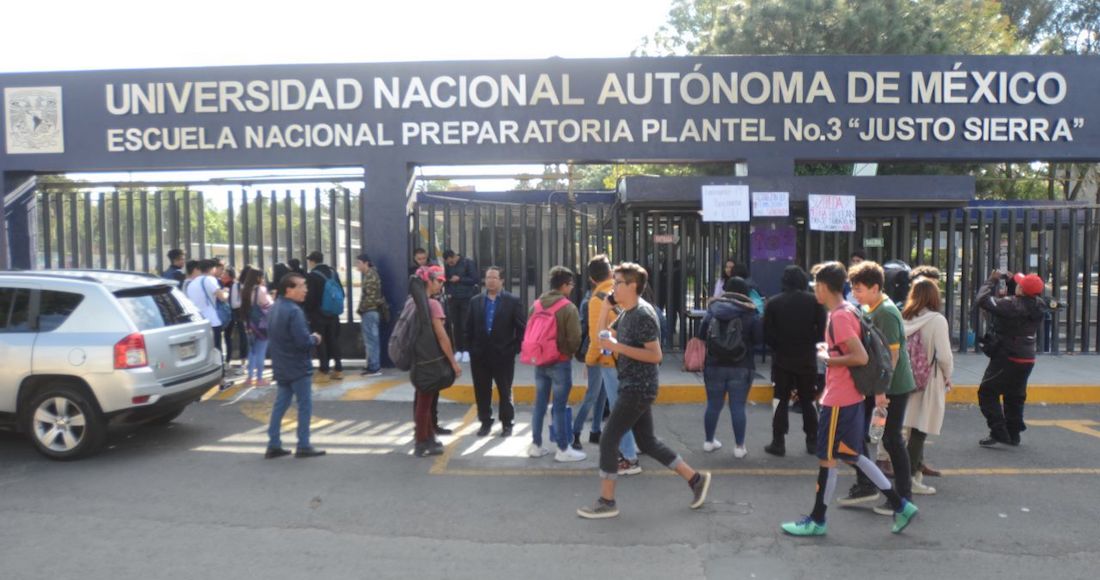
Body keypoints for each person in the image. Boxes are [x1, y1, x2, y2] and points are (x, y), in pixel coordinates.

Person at [779, 261, 917, 536]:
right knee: (851, 455)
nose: (815, 292)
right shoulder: (848, 310)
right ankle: (900, 504)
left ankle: (818, 520)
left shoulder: (840, 316)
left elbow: (860, 356)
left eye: (816, 286)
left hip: (839, 399)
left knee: (829, 458)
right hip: (849, 396)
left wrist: (828, 358)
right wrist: (831, 350)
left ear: (822, 287)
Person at [577, 263, 712, 519]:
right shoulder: (626, 313)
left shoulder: (642, 314)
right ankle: (695, 480)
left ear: (632, 286)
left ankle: (607, 501)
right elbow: (601, 339)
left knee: (608, 439)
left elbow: (655, 355)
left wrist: (618, 349)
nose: (613, 286)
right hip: (632, 383)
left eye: (618, 282)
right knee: (647, 442)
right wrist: (606, 307)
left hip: (639, 387)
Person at [843, 261, 916, 516]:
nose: (855, 293)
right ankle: (868, 484)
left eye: (859, 288)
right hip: (878, 385)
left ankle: (903, 497)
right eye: (853, 288)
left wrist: (881, 391)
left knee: (892, 439)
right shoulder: (869, 307)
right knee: (867, 435)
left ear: (875, 288)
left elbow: (890, 356)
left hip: (892, 386)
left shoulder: (885, 312)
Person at [574, 255, 639, 474]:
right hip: (632, 357)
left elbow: (597, 337)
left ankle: (629, 456)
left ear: (591, 278)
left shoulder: (596, 300)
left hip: (611, 361)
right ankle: (636, 446)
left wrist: (590, 361)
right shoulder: (625, 290)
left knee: (618, 410)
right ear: (611, 272)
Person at [975, 270, 1047, 447]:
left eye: (1019, 284)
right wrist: (1010, 282)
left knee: (987, 392)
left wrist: (992, 280)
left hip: (1008, 355)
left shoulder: (1011, 305)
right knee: (1015, 394)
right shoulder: (1039, 304)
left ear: (1021, 290)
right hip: (1027, 357)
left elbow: (982, 300)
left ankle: (999, 430)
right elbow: (1021, 299)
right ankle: (1013, 434)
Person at [763, 265, 826, 457]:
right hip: (806, 359)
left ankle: (778, 441)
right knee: (808, 401)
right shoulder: (814, 302)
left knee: (781, 400)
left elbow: (767, 334)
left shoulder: (773, 303)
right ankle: (812, 440)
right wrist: (809, 343)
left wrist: (779, 346)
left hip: (782, 359)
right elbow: (822, 330)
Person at [698, 276, 762, 459]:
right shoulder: (750, 312)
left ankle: (709, 441)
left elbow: (702, 334)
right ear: (745, 292)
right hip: (742, 365)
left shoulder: (713, 310)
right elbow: (759, 339)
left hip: (714, 364)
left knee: (713, 404)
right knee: (737, 406)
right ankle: (739, 447)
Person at [264, 273, 326, 459]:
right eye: (301, 286)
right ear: (289, 290)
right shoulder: (294, 311)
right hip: (298, 366)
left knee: (280, 405)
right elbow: (302, 342)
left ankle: (273, 444)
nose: (306, 290)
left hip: (281, 364)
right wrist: (314, 338)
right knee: (304, 406)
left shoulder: (275, 307)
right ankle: (303, 445)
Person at [901, 278, 953, 495]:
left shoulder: (904, 318)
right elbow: (944, 356)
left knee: (910, 427)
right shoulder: (937, 320)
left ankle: (915, 470)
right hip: (929, 380)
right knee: (921, 429)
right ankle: (910, 477)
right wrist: (948, 376)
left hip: (906, 380)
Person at [527, 266, 585, 462]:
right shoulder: (567, 307)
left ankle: (536, 445)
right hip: (560, 361)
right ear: (565, 285)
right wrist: (567, 353)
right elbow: (575, 337)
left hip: (540, 360)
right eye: (571, 284)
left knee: (539, 404)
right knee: (559, 406)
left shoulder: (536, 305)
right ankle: (562, 448)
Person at [465, 266, 526, 437]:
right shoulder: (475, 301)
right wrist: (471, 349)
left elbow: (521, 328)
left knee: (505, 391)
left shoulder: (512, 301)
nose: (490, 281)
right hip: (480, 355)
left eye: (494, 277)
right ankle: (485, 421)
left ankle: (507, 423)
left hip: (503, 355)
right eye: (487, 277)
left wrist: (514, 349)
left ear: (502, 281)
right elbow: (468, 328)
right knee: (482, 390)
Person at [410, 265, 463, 457]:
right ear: (428, 281)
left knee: (422, 401)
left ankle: (427, 437)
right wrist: (453, 363)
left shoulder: (413, 301)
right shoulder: (432, 305)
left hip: (418, 360)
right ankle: (421, 442)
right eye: (438, 281)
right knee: (425, 403)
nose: (441, 285)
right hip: (430, 360)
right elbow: (442, 337)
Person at [304, 251, 344, 382]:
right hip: (333, 314)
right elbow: (341, 293)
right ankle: (338, 369)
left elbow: (310, 298)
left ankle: (324, 369)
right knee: (334, 339)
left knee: (320, 341)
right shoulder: (333, 272)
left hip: (318, 314)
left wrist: (308, 312)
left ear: (312, 261)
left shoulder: (312, 276)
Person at [185, 259, 229, 362]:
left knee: (204, 353)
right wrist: (226, 292)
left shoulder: (191, 284)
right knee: (216, 351)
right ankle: (220, 373)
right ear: (212, 269)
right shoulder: (209, 279)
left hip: (198, 322)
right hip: (212, 321)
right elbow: (222, 297)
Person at [443, 249, 478, 362]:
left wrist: (460, 279)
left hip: (467, 297)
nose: (450, 264)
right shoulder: (448, 265)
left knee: (465, 324)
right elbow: (446, 280)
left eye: (451, 262)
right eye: (448, 263)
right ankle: (459, 350)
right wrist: (448, 293)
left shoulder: (467, 262)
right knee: (456, 325)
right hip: (453, 298)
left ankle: (467, 350)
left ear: (455, 256)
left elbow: (474, 279)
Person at [240, 268, 273, 386]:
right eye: (262, 277)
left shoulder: (244, 290)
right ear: (258, 278)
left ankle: (249, 378)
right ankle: (259, 378)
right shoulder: (261, 290)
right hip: (261, 324)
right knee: (261, 351)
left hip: (248, 324)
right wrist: (271, 296)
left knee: (252, 351)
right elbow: (268, 305)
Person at [356, 253, 385, 377]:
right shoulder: (370, 275)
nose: (357, 265)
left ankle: (374, 367)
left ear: (366, 263)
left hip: (370, 311)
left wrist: (361, 309)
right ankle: (372, 365)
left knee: (371, 341)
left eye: (359, 263)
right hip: (370, 311)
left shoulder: (371, 276)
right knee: (370, 340)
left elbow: (371, 298)